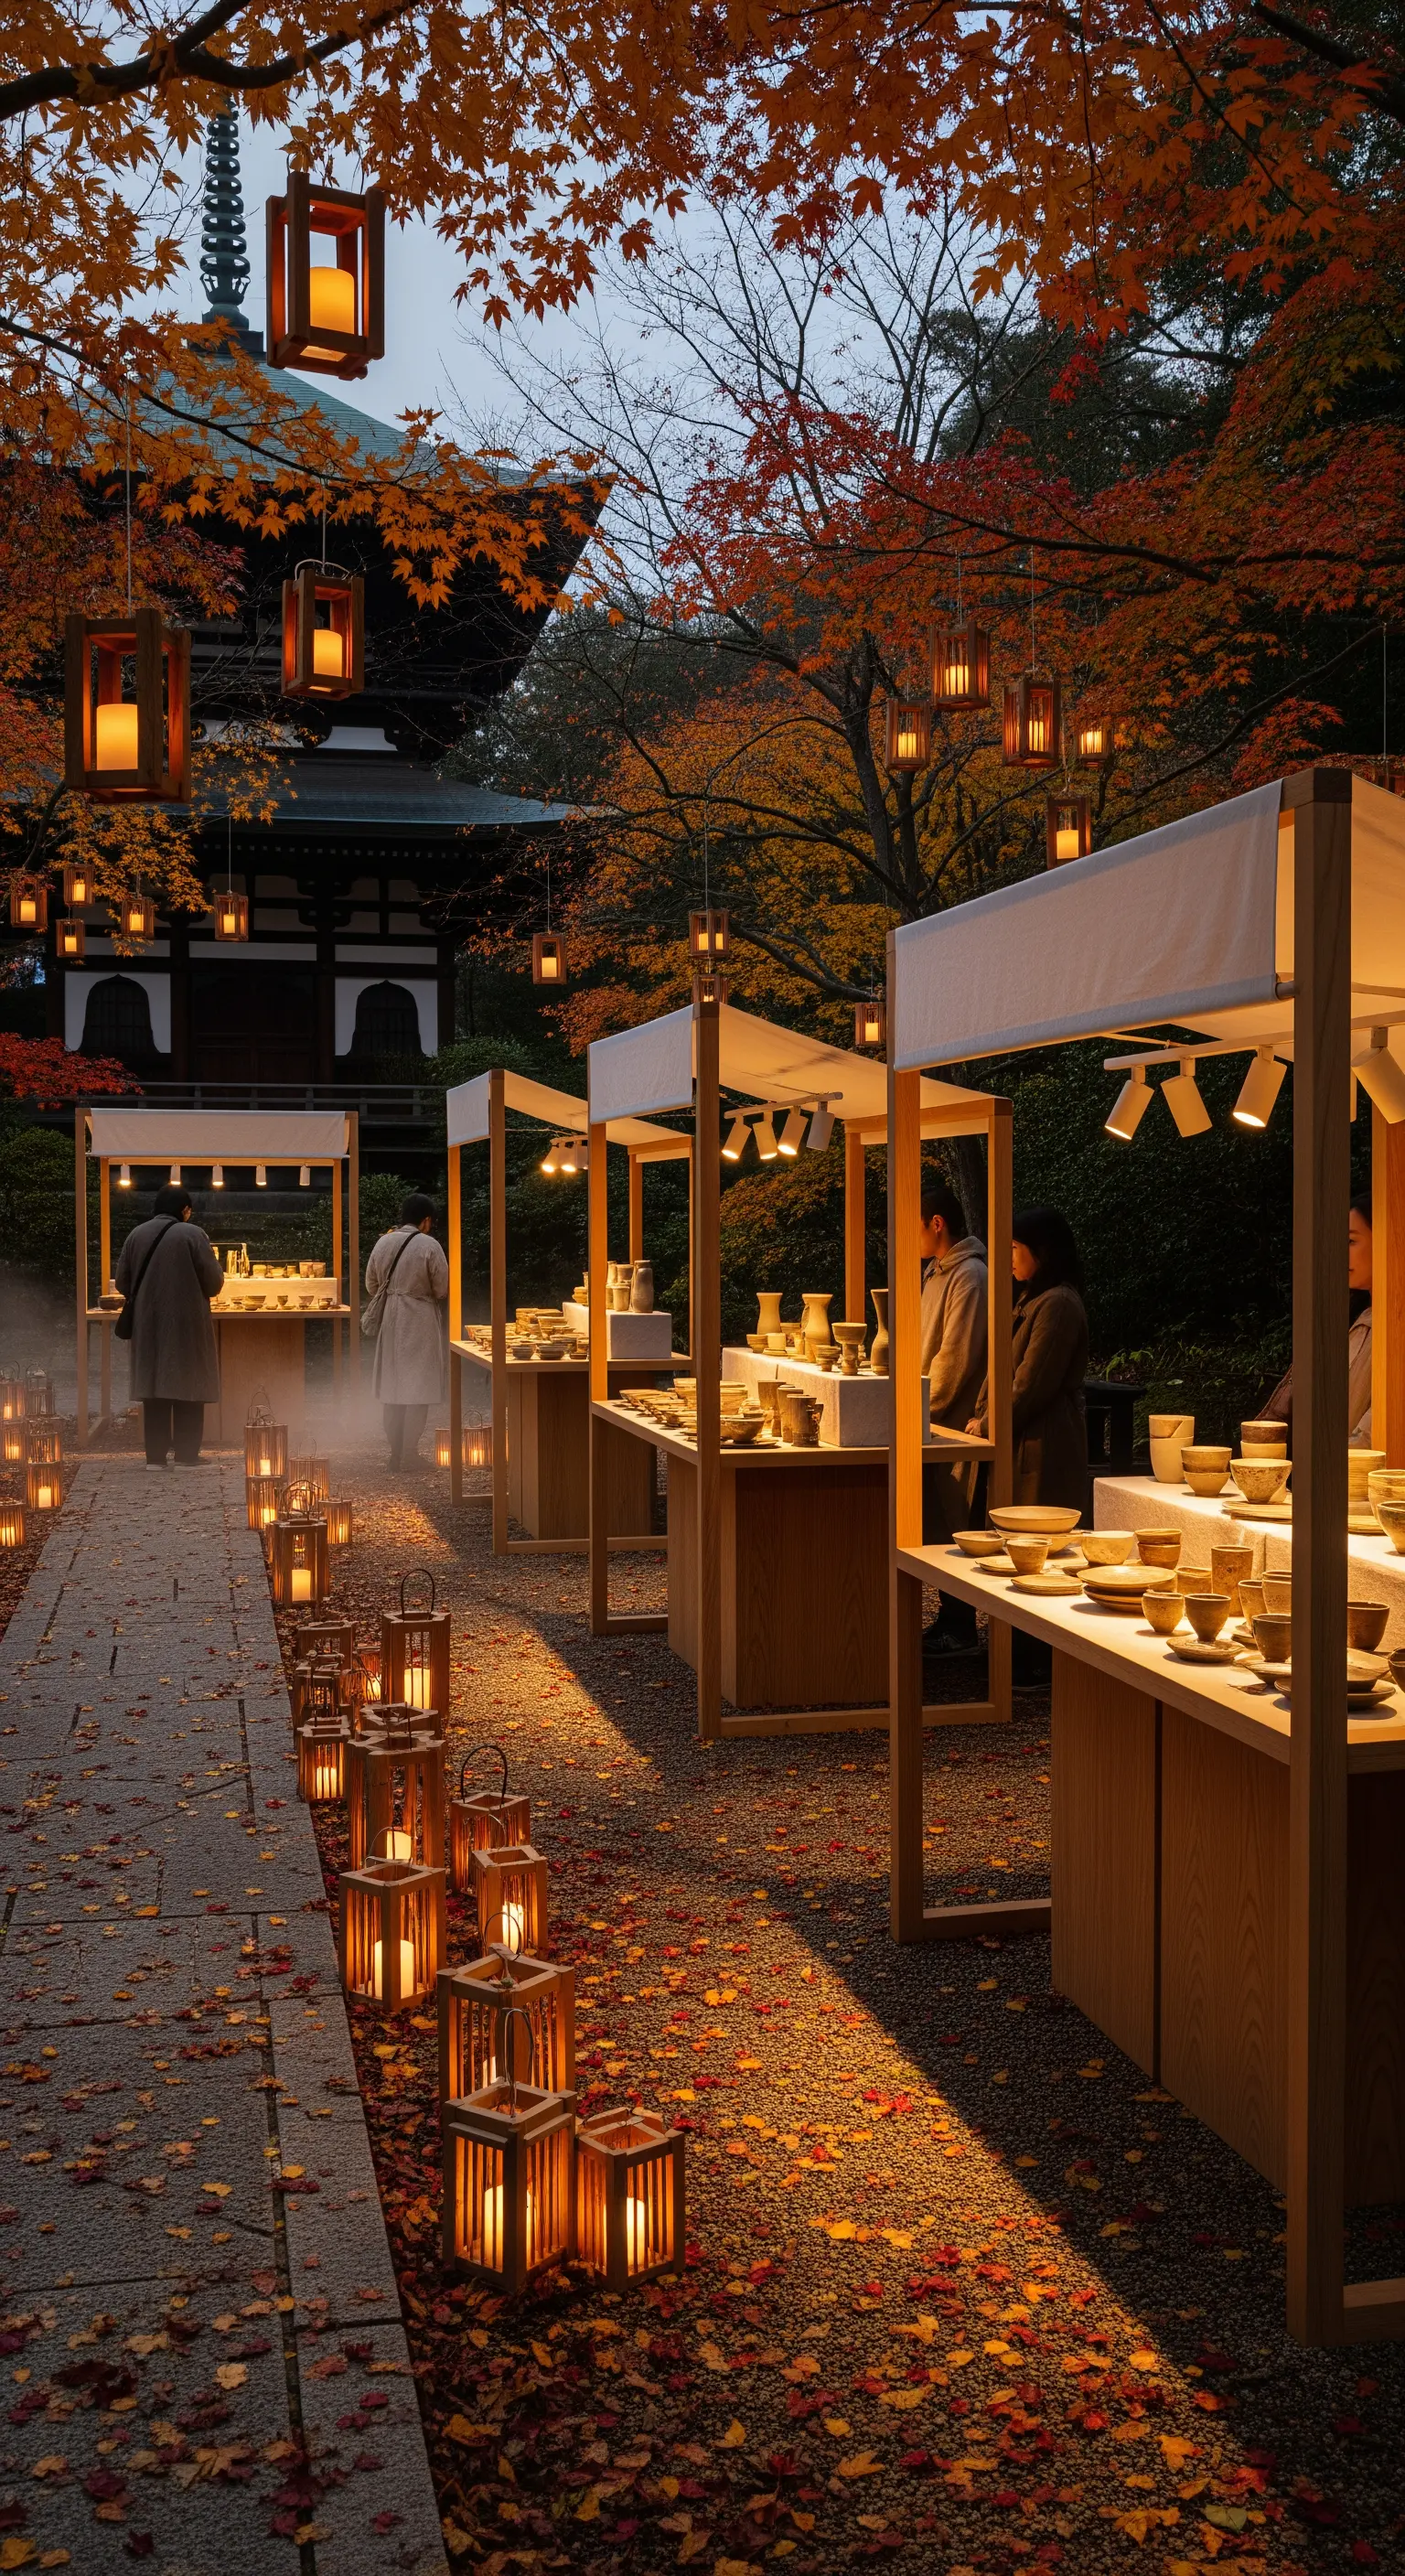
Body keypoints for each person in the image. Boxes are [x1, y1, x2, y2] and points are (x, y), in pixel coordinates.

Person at [970, 1207, 1089, 1510]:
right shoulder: (1035, 1299)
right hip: (1024, 1439)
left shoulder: (1058, 1304)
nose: (1009, 1258)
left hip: (1043, 1445)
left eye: (1014, 1248)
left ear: (1042, 1251)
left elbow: (1032, 1385)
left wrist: (987, 1424)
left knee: (1034, 1538)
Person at [920, 1177, 990, 1656]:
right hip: (926, 1419)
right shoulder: (936, 1272)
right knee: (933, 1521)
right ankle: (951, 1618)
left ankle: (960, 1623)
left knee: (953, 1524)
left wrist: (920, 1413)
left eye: (914, 1227)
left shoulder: (970, 1275)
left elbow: (956, 1360)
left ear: (937, 1224)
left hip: (951, 1423)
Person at [114, 1182, 223, 1469]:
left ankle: (155, 1458)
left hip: (147, 1325)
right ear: (185, 1209)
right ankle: (188, 1455)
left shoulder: (136, 1234)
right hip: (188, 1324)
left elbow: (123, 1283)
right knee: (190, 1384)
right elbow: (213, 1284)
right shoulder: (193, 1234)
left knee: (154, 1388)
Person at [1260, 1194, 1373, 1444]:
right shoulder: (1353, 1318)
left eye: (1351, 1240)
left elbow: (1369, 1438)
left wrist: (1320, 1468)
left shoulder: (1387, 1327)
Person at [366, 1192, 449, 1470]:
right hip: (420, 1319)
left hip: (391, 1316)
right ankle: (410, 1453)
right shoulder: (430, 1245)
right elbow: (441, 1288)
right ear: (426, 1220)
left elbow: (371, 1285)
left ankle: (395, 1453)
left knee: (392, 1386)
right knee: (418, 1387)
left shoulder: (383, 1242)